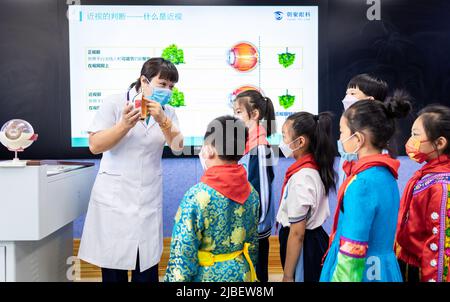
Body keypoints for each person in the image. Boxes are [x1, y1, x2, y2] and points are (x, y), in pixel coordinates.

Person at [78, 57, 184, 282]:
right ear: (144, 81)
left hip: (148, 198)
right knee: (113, 270)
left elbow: (177, 147)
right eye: (162, 84)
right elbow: (95, 145)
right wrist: (124, 125)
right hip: (115, 200)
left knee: (146, 271)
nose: (167, 90)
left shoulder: (168, 111)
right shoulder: (115, 103)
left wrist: (163, 120)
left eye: (171, 86)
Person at [320, 96, 411, 282]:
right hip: (383, 267)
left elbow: (353, 249)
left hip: (363, 271)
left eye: (342, 133)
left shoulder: (362, 184)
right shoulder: (387, 174)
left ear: (358, 139)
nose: (340, 139)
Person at [164, 116, 260, 282]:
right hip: (243, 274)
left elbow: (182, 256)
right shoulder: (252, 192)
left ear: (209, 149)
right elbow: (252, 245)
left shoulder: (197, 196)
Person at [276, 111, 335, 282]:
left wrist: (287, 275)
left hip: (303, 246)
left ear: (300, 141)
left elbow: (297, 233)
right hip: (310, 242)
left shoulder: (302, 178)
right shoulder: (311, 169)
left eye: (284, 136)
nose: (282, 142)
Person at [396, 104, 450, 282]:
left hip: (423, 270)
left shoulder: (441, 185)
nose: (410, 141)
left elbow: (440, 245)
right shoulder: (428, 174)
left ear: (440, 143)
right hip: (408, 262)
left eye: (416, 135)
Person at [233, 90, 276, 282]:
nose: (235, 117)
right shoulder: (247, 144)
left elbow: (263, 194)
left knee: (256, 278)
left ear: (255, 114)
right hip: (245, 229)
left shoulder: (259, 147)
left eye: (239, 112)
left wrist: (256, 228)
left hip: (254, 232)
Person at [337, 74, 390, 189]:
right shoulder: (349, 145)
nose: (346, 98)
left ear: (370, 100)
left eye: (352, 93)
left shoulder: (376, 147)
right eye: (346, 93)